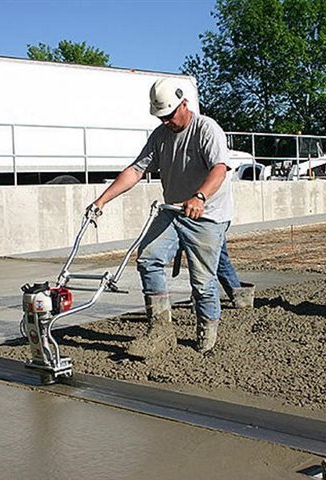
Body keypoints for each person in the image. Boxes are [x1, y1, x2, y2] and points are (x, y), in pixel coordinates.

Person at [90, 78, 233, 357]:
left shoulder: (206, 129)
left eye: (169, 115)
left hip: (208, 215)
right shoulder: (160, 136)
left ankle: (207, 332)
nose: (166, 121)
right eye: (160, 117)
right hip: (173, 211)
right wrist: (101, 200)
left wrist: (200, 197)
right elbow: (135, 170)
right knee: (148, 258)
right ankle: (160, 328)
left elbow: (219, 168)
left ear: (184, 104)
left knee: (202, 281)